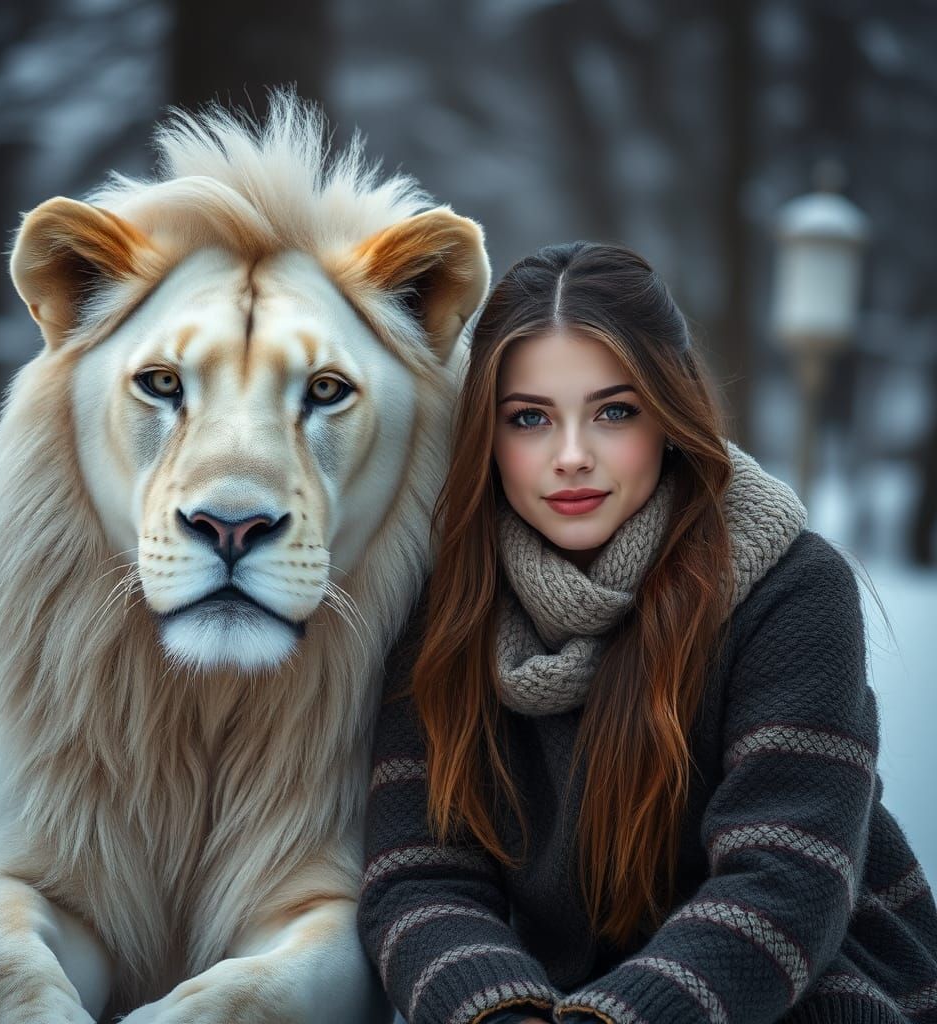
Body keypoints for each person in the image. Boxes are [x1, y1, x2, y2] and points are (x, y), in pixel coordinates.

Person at [356, 241, 937, 1024]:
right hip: (541, 990)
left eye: (614, 412)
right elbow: (418, 874)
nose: (571, 457)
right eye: (529, 419)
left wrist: (615, 1017)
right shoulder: (447, 600)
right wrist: (498, 1012)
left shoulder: (788, 585)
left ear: (669, 414)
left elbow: (788, 875)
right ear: (484, 439)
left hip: (797, 979)